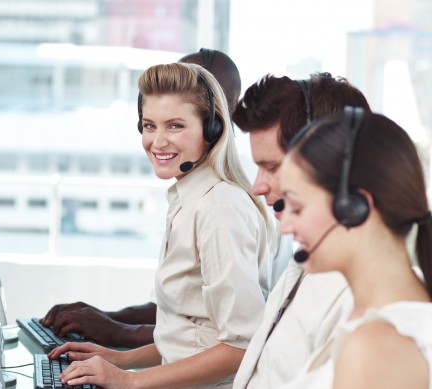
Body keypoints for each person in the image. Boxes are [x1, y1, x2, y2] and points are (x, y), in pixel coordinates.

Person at [48, 62, 270, 389]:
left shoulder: (219, 209)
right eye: (150, 126)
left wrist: (129, 381)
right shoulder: (188, 199)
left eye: (176, 126)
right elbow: (188, 337)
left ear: (212, 129)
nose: (158, 141)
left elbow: (241, 345)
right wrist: (118, 358)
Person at [231, 72, 372, 388]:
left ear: (331, 163)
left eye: (272, 167)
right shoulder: (305, 265)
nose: (257, 186)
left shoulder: (358, 299)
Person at [276, 108, 432, 388]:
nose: (284, 226)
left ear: (355, 208)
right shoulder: (375, 315)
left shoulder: (377, 349)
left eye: (297, 207)